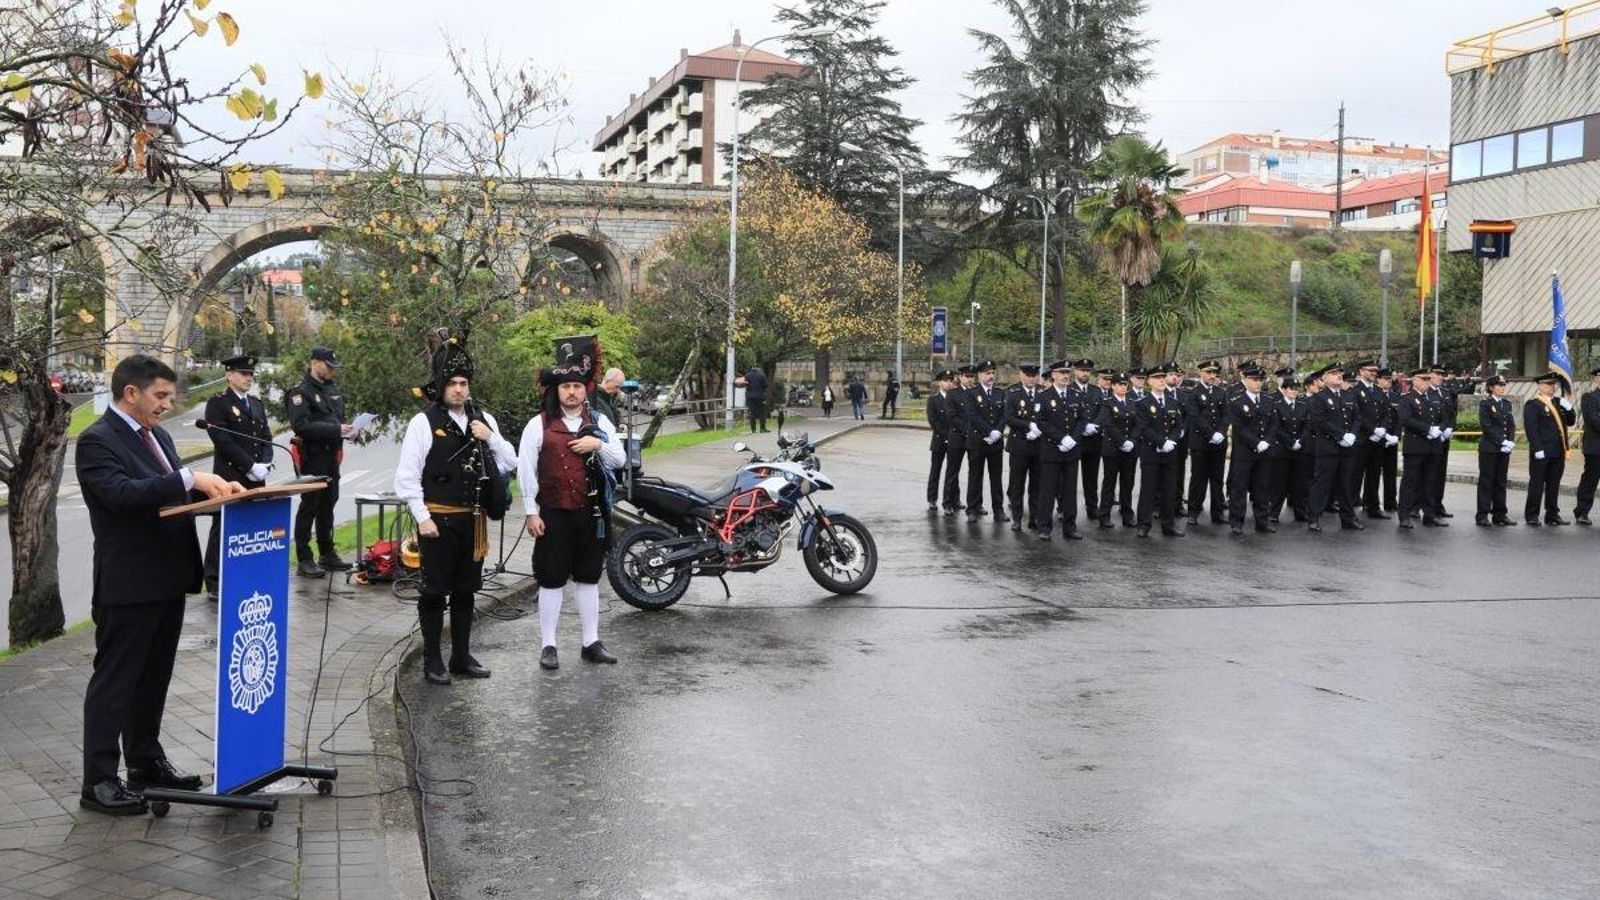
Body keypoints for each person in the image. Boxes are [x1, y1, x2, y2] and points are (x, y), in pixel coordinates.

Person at [77, 355, 245, 815]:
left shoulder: (159, 437)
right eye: (161, 396)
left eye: (170, 397)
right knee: (115, 683)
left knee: (153, 681)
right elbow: (122, 495)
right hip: (128, 585)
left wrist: (217, 490)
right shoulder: (96, 441)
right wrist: (190, 477)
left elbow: (174, 492)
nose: (168, 406)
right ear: (131, 393)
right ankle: (98, 781)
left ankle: (146, 763)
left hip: (167, 579)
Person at [394, 341, 519, 685]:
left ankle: (461, 656)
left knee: (466, 590)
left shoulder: (483, 420)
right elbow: (406, 476)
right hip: (437, 519)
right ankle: (432, 660)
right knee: (434, 591)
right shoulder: (423, 422)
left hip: (473, 521)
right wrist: (422, 516)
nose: (459, 389)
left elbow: (512, 462)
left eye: (464, 383)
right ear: (440, 385)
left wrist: (490, 437)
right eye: (453, 383)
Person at [518, 363, 628, 670]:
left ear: (585, 390)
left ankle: (590, 642)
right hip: (553, 513)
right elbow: (526, 468)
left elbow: (619, 458)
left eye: (577, 387)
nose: (571, 392)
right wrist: (530, 511)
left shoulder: (600, 420)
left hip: (591, 513)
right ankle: (548, 645)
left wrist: (598, 444)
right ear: (556, 391)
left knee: (589, 577)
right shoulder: (538, 424)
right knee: (551, 579)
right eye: (566, 387)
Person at [202, 354, 273, 599]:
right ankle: (215, 580)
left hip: (256, 478)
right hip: (230, 476)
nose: (248, 378)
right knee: (224, 527)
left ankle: (245, 574)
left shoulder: (256, 404)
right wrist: (250, 465)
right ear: (229, 375)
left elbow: (265, 436)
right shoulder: (218, 403)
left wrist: (265, 462)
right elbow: (223, 441)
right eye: (244, 374)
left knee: (252, 527)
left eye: (251, 374)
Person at [286, 347, 356, 578]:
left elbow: (338, 418)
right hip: (313, 455)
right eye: (328, 366)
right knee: (310, 505)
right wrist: (335, 429)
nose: (331, 371)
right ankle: (305, 557)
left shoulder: (331, 389)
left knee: (329, 503)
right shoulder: (300, 392)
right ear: (315, 362)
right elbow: (301, 426)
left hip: (331, 455)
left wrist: (348, 431)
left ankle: (327, 553)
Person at [1304, 363, 1364, 532]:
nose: (1338, 375)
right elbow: (1319, 421)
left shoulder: (1348, 396)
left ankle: (1348, 518)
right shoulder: (1319, 398)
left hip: (1347, 449)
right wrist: (1340, 435)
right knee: (1321, 484)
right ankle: (1314, 518)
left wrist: (1352, 434)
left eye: (1340, 373)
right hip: (1328, 449)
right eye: (1334, 373)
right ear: (1324, 378)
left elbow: (1357, 417)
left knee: (1346, 485)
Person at [1034, 360, 1087, 540]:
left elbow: (1082, 420)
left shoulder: (1077, 395)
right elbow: (1041, 422)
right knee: (1047, 491)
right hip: (1052, 450)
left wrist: (1072, 438)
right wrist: (1061, 438)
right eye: (1061, 373)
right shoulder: (1043, 396)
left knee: (1069, 491)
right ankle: (1044, 527)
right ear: (1054, 375)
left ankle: (1070, 527)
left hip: (1071, 450)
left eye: (1067, 372)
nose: (1065, 376)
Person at [1134, 364, 1187, 538]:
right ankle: (1143, 524)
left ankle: (1168, 525)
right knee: (1148, 490)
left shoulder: (1173, 402)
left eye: (1162, 377)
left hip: (1170, 453)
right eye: (1157, 378)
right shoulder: (1142, 403)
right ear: (1149, 381)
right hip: (1151, 452)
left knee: (1169, 490)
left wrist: (1171, 440)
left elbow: (1179, 424)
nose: (1161, 380)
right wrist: (1160, 442)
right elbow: (1143, 427)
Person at [1224, 365, 1277, 534]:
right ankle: (1236, 522)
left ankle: (1262, 521)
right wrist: (1256, 442)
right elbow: (1239, 427)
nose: (1258, 383)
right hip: (1245, 452)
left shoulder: (1269, 400)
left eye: (1260, 380)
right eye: (1254, 380)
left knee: (1262, 487)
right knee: (1239, 488)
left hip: (1264, 452)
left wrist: (1267, 441)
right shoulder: (1237, 401)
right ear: (1245, 380)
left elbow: (1274, 424)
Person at [1523, 372, 1577, 526]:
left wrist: (1569, 409)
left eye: (1554, 384)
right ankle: (1532, 515)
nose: (1552, 387)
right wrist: (1537, 448)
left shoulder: (1558, 403)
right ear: (1539, 386)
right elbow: (1531, 429)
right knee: (1537, 484)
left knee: (1554, 484)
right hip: (1542, 452)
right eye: (1548, 384)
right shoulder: (1533, 404)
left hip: (1558, 451)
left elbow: (1571, 422)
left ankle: (1552, 514)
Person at [1397, 369, 1449, 529]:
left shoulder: (1433, 398)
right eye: (1424, 379)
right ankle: (1404, 515)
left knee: (1430, 482)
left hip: (1433, 447)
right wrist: (1427, 429)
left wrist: (1440, 429)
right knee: (1410, 482)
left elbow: (1444, 417)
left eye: (1429, 379)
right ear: (1414, 380)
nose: (1427, 382)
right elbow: (1406, 419)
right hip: (1416, 447)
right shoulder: (1408, 399)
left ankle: (1429, 514)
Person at [962, 360, 1007, 522]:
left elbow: (1004, 415)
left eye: (993, 373)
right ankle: (972, 509)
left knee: (996, 478)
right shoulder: (971, 393)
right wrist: (988, 431)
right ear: (980, 375)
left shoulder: (1000, 393)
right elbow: (972, 416)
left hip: (995, 442)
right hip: (977, 442)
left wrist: (998, 432)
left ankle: (998, 510)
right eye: (987, 373)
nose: (991, 376)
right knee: (975, 476)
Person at [1184, 360, 1228, 526]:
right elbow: (1194, 417)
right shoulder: (1194, 393)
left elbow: (1226, 414)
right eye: (1208, 373)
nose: (1212, 376)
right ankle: (1194, 511)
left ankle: (1217, 513)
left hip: (1218, 443)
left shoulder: (1220, 392)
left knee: (1217, 479)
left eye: (1214, 373)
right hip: (1201, 442)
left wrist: (1221, 432)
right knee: (1198, 478)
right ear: (1200, 373)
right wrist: (1211, 433)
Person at [1094, 371, 1139, 528]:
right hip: (1113, 448)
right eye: (1120, 384)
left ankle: (1127, 514)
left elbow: (1138, 424)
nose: (1123, 386)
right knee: (1110, 482)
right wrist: (1122, 442)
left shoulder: (1133, 402)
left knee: (1128, 482)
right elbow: (1107, 424)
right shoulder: (1107, 402)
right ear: (1113, 386)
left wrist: (1132, 441)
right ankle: (1104, 514)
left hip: (1130, 449)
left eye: (1125, 384)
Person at [1004, 365, 1044, 531]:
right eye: (1027, 375)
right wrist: (1029, 425)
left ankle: (1034, 517)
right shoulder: (1013, 394)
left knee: (1036, 485)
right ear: (1021, 375)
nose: (1031, 378)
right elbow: (1008, 417)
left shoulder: (1043, 394)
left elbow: (1050, 416)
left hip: (1038, 446)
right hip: (1019, 445)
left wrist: (1039, 429)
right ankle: (1017, 518)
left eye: (1034, 375)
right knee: (1017, 484)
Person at [1267, 374, 1312, 524]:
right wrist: (1290, 441)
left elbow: (1308, 426)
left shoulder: (1303, 406)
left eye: (1296, 389)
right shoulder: (1277, 405)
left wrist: (1300, 440)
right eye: (1291, 389)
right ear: (1284, 390)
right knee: (1279, 483)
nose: (1294, 392)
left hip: (1299, 450)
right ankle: (1274, 512)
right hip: (1282, 450)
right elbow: (1276, 427)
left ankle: (1300, 512)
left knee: (1299, 483)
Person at [1475, 375, 1518, 527]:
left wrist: (1510, 441)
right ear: (1491, 387)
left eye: (1503, 385)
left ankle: (1500, 514)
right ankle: (1482, 515)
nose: (1501, 388)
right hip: (1489, 448)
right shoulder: (1485, 404)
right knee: (1487, 482)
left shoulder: (1506, 404)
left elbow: (1511, 425)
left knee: (1501, 482)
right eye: (1498, 385)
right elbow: (1487, 426)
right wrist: (1502, 441)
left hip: (1503, 449)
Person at [1350, 361, 1391, 520]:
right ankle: (1350, 508)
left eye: (1375, 371)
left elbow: (1386, 413)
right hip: (1362, 439)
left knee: (1374, 475)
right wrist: (1372, 430)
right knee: (1356, 475)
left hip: (1377, 440)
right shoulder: (1355, 391)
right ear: (1361, 371)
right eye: (1370, 370)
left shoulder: (1379, 391)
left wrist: (1382, 429)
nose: (1374, 373)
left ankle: (1372, 506)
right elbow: (1357, 415)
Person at [1069, 360, 1103, 518]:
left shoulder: (1096, 391)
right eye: (1082, 370)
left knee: (1091, 476)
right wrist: (1082, 428)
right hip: (1074, 440)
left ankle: (1092, 507)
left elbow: (1102, 412)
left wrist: (1094, 425)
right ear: (1075, 372)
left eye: (1088, 371)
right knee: (1069, 477)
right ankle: (1065, 507)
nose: (1085, 373)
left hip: (1093, 440)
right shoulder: (1068, 390)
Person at [941, 366, 974, 515]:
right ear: (960, 377)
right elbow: (951, 416)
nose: (970, 379)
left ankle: (974, 504)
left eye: (972, 376)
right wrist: (967, 429)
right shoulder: (953, 394)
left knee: (975, 473)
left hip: (974, 438)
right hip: (957, 437)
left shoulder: (976, 393)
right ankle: (948, 502)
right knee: (952, 472)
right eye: (967, 376)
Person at [925, 370, 955, 511]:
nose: (948, 383)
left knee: (952, 472)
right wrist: (947, 436)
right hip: (939, 440)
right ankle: (932, 499)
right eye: (945, 380)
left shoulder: (955, 399)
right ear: (939, 382)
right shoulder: (933, 400)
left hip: (954, 441)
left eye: (950, 380)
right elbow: (934, 422)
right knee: (935, 471)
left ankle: (952, 499)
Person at [1575, 367, 1600, 526]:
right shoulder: (1589, 398)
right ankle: (1582, 512)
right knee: (1590, 480)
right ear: (1595, 379)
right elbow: (1594, 421)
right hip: (1596, 447)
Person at [1375, 368, 1402, 514]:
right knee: (1373, 473)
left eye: (1389, 379)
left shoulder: (1395, 397)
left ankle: (1390, 501)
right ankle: (1370, 502)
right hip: (1377, 439)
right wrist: (1383, 435)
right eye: (1384, 379)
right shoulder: (1374, 395)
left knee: (1391, 473)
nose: (1388, 382)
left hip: (1391, 440)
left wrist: (1396, 436)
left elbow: (1399, 418)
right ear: (1378, 379)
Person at [739, 364, 770, 433]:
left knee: (752, 413)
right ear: (758, 368)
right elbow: (766, 385)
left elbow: (742, 384)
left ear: (752, 368)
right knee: (762, 412)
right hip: (760, 396)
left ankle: (753, 429)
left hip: (750, 397)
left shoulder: (747, 375)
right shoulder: (762, 375)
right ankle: (762, 428)